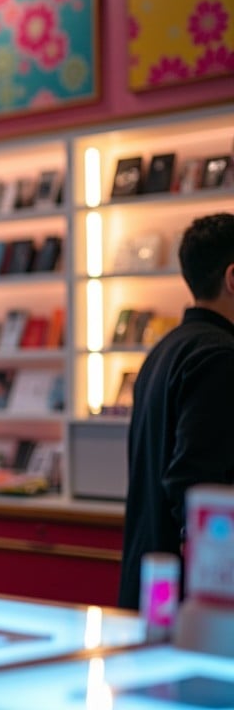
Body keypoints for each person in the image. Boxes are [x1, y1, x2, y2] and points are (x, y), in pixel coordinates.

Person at [118, 212, 234, 609]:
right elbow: (195, 485)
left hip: (154, 579)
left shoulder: (166, 349)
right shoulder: (221, 356)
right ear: (233, 278)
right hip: (195, 599)